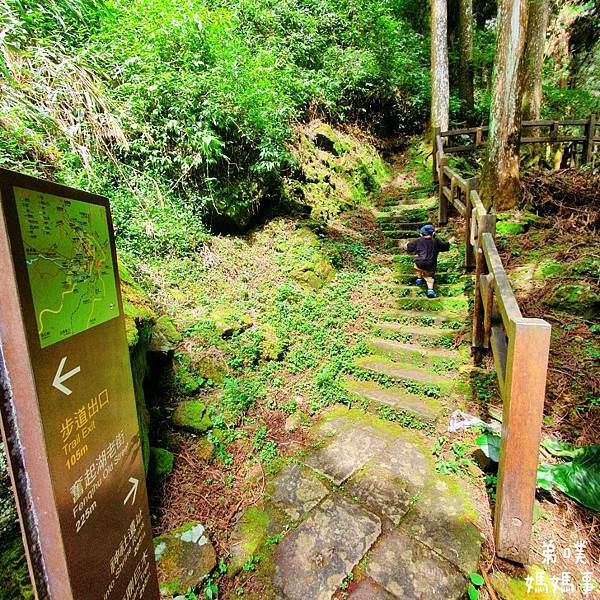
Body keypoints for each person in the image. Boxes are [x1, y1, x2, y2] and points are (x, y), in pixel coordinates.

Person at [404, 224, 455, 298]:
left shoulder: (418, 241)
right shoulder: (436, 241)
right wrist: (452, 239)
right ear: (433, 233)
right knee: (429, 278)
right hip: (430, 265)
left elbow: (408, 247)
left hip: (419, 263)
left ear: (421, 234)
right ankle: (430, 290)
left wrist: (406, 244)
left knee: (417, 267)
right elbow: (445, 246)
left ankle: (419, 278)